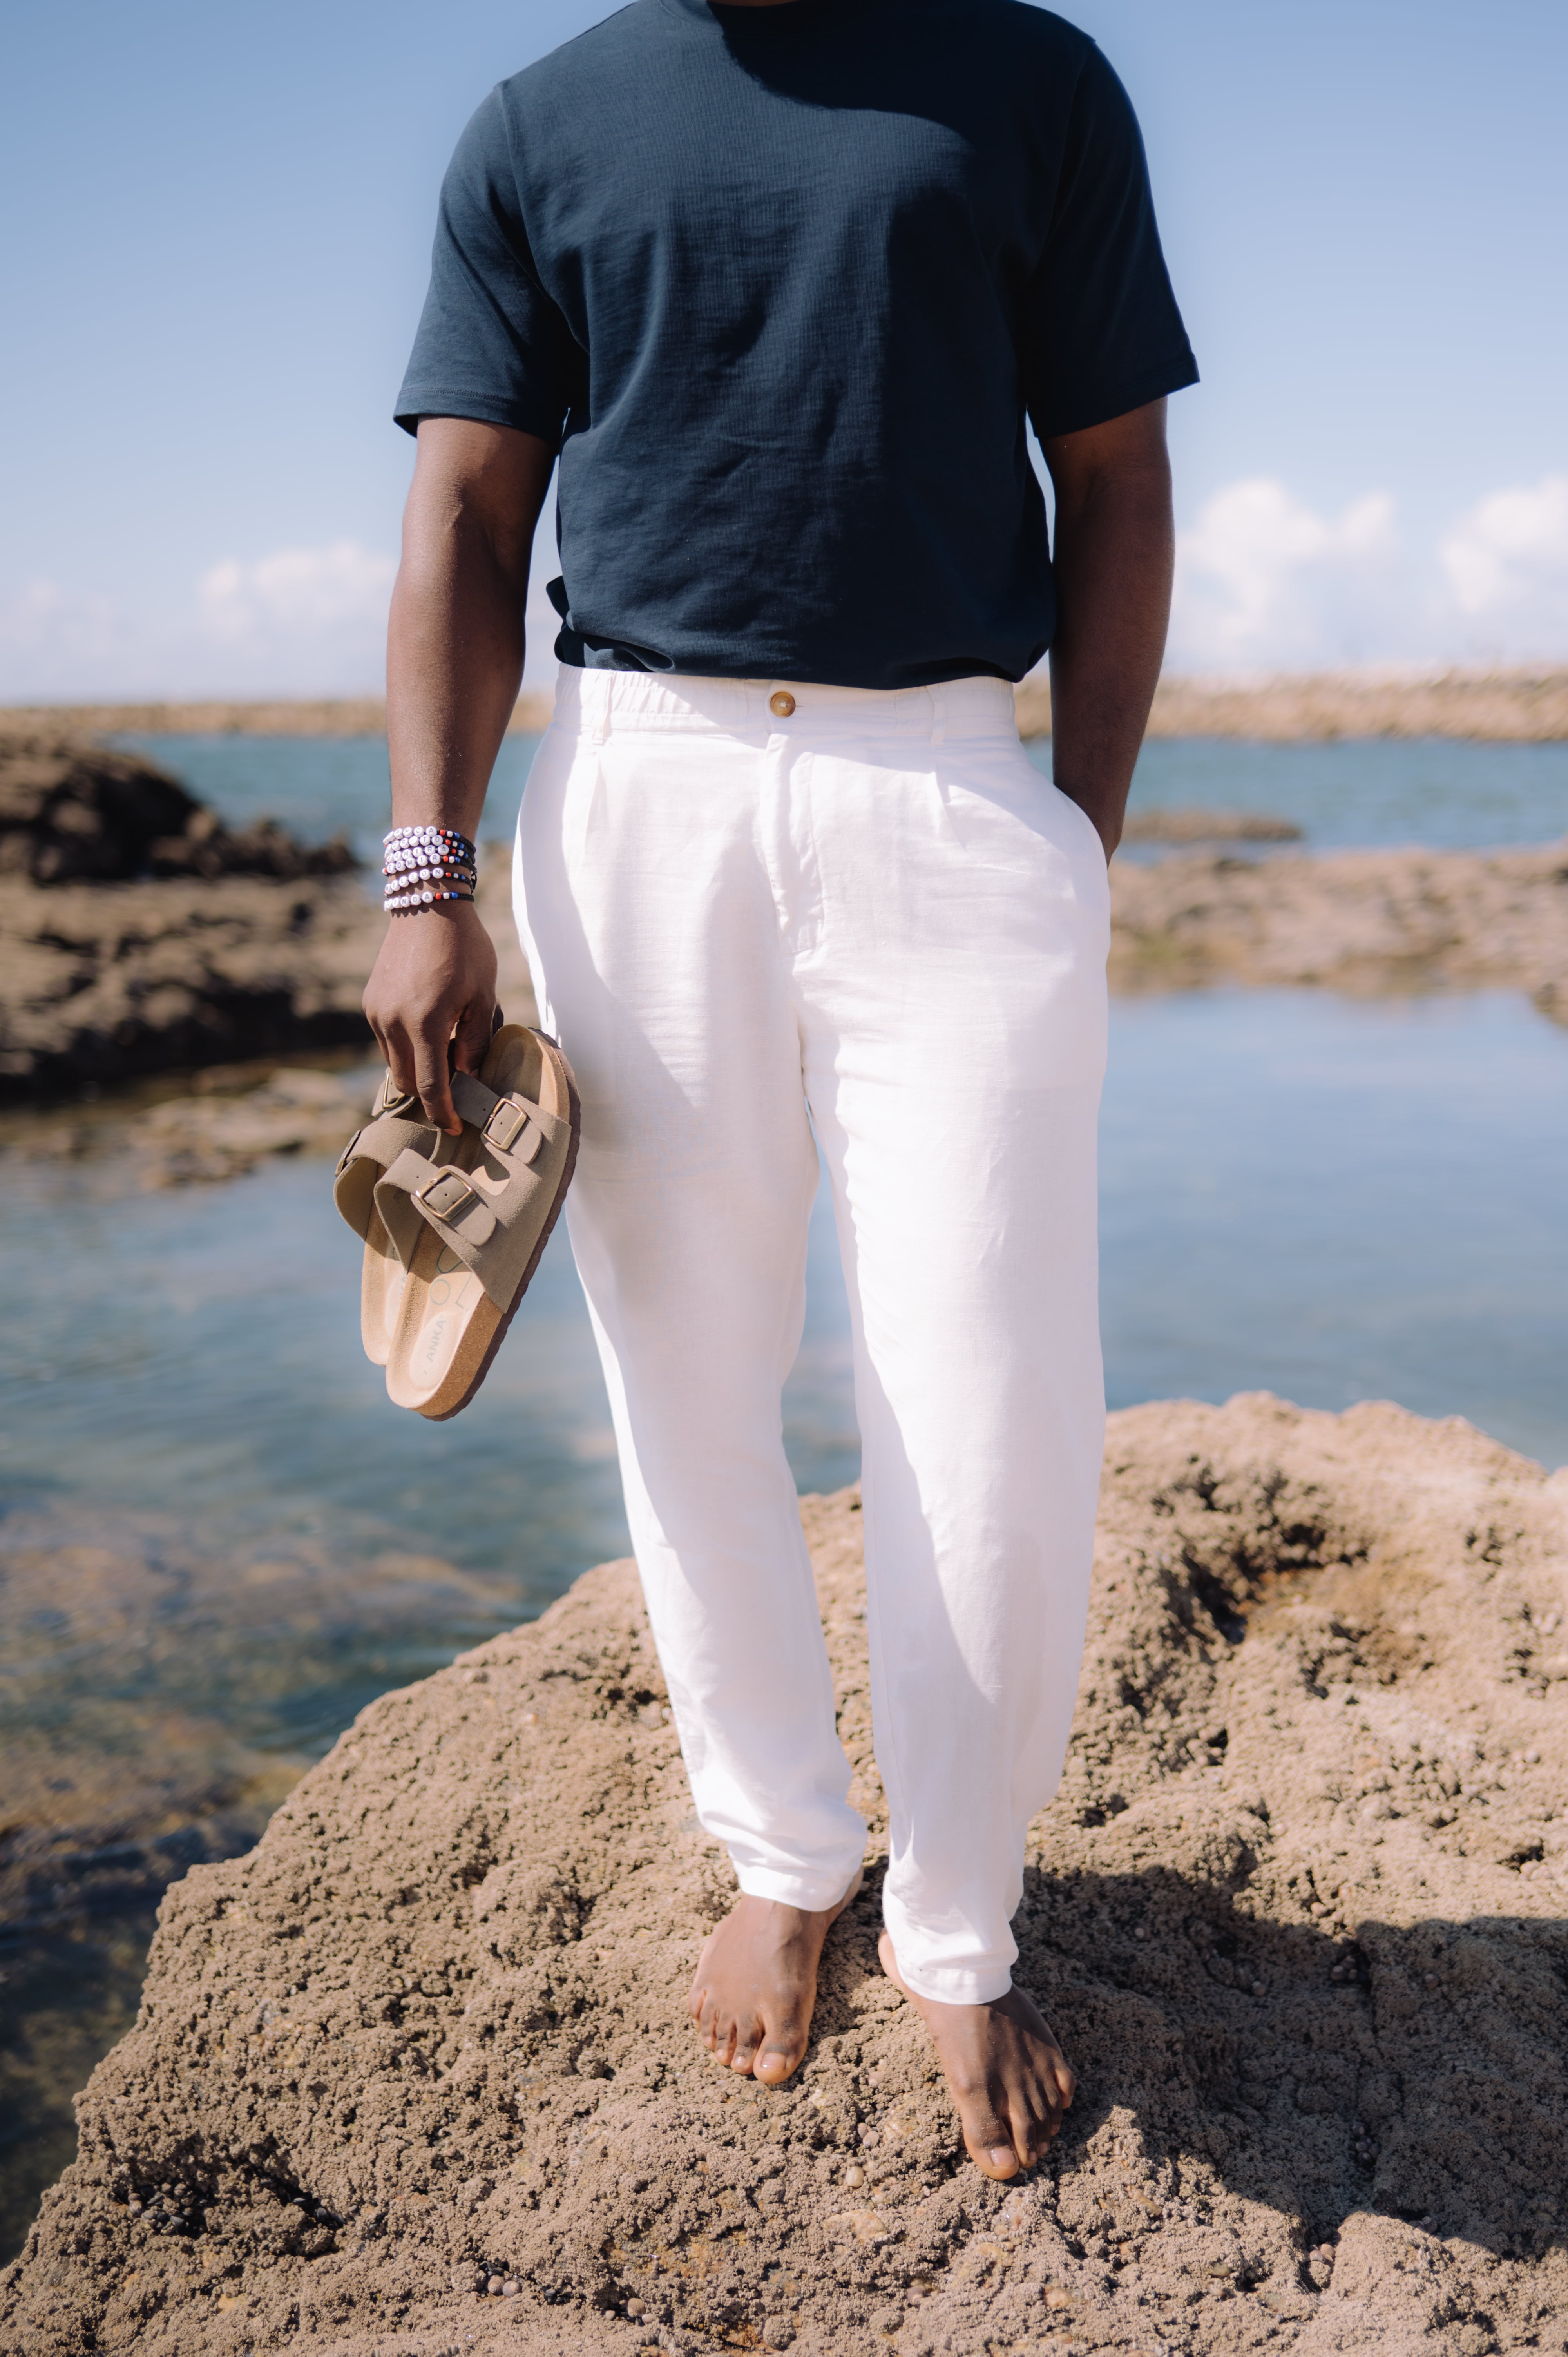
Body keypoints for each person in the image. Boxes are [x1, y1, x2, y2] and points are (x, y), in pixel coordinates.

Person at [366, 0, 1196, 2182]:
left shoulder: (1028, 84)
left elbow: (1113, 477)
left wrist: (1075, 843)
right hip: (634, 789)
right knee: (687, 1374)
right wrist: (425, 874)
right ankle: (784, 1848)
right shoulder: (543, 122)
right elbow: (464, 506)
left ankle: (957, 1928)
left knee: (990, 1394)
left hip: (952, 785)